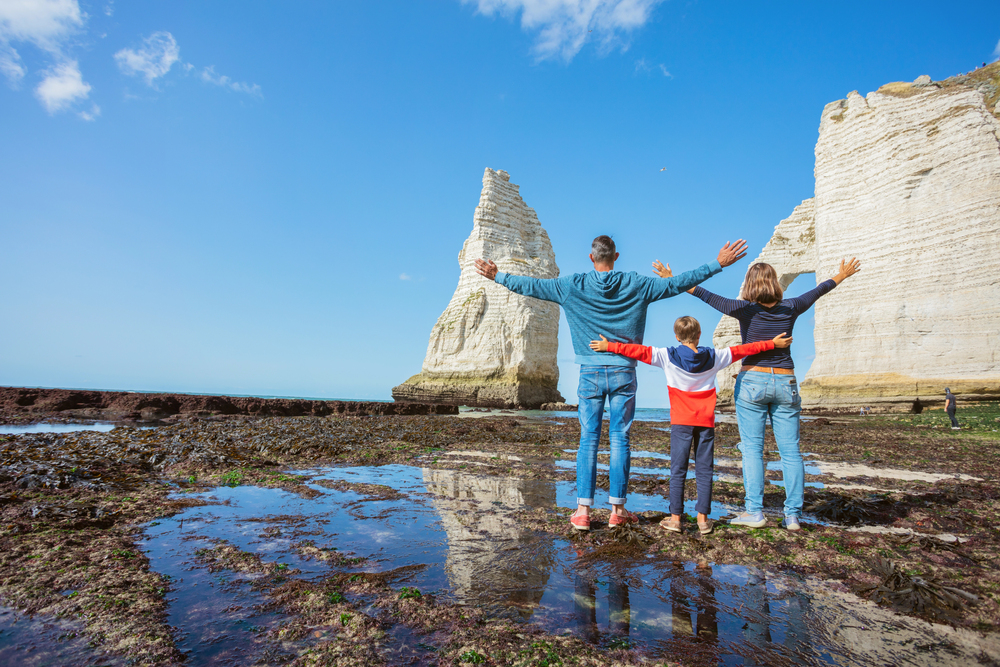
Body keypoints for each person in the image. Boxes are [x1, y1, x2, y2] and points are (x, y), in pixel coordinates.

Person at [475, 235, 748, 531]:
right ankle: (617, 510)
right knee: (620, 438)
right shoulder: (636, 284)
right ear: (615, 256)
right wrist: (717, 264)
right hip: (623, 373)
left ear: (591, 258)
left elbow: (531, 286)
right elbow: (676, 283)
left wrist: (497, 275)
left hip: (589, 374)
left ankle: (582, 512)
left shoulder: (571, 286)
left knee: (588, 438)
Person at [653, 257, 860, 530]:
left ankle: (755, 512)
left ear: (750, 285)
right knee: (791, 452)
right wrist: (841, 274)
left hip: (752, 381)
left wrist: (672, 278)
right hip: (786, 381)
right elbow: (820, 289)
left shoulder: (743, 309)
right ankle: (793, 516)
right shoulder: (792, 306)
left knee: (752, 449)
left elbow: (703, 294)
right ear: (775, 283)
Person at [590, 317, 791, 535]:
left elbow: (637, 351)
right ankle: (703, 520)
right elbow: (744, 350)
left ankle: (676, 519)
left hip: (681, 423)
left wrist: (608, 346)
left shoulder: (667, 356)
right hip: (705, 423)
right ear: (699, 334)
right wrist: (772, 343)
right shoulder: (715, 357)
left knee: (678, 471)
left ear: (676, 337)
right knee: (705, 471)